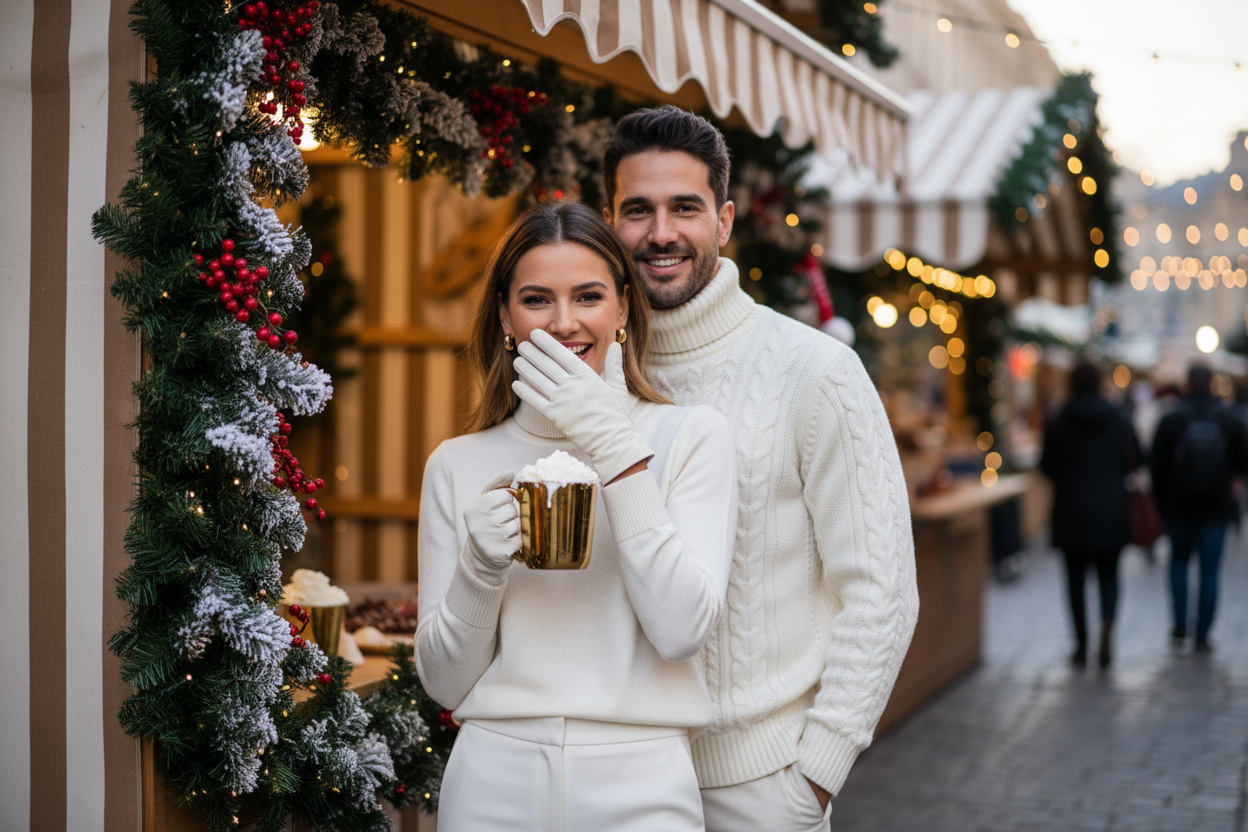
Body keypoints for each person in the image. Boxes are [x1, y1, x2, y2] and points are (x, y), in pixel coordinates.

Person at [601, 106, 919, 831]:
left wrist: (815, 776)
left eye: (685, 207)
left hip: (758, 788)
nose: (660, 233)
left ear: (724, 221)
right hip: (609, 780)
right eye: (637, 210)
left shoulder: (816, 371)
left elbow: (882, 590)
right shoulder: (590, 375)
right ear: (609, 220)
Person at [414, 202, 738, 831]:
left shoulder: (690, 437)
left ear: (622, 306)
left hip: (643, 783)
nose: (565, 323)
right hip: (493, 782)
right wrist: (479, 570)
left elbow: (680, 630)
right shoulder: (457, 463)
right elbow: (446, 683)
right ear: (506, 316)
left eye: (587, 296)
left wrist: (616, 448)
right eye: (537, 300)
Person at [1039, 360, 1142, 668]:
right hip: (1111, 509)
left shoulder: (1058, 420)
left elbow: (1046, 465)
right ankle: (1108, 627)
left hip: (1072, 510)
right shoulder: (1119, 418)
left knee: (1075, 581)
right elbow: (1135, 460)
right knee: (1109, 576)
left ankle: (1081, 644)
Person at [1150, 364, 1248, 652]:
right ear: (1212, 385)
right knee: (1209, 571)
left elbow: (1156, 465)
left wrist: (1161, 503)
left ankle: (1180, 624)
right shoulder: (1228, 420)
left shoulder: (1171, 419)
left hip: (1178, 507)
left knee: (1178, 563)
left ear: (1186, 384)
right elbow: (1242, 464)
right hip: (1215, 509)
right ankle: (1203, 634)